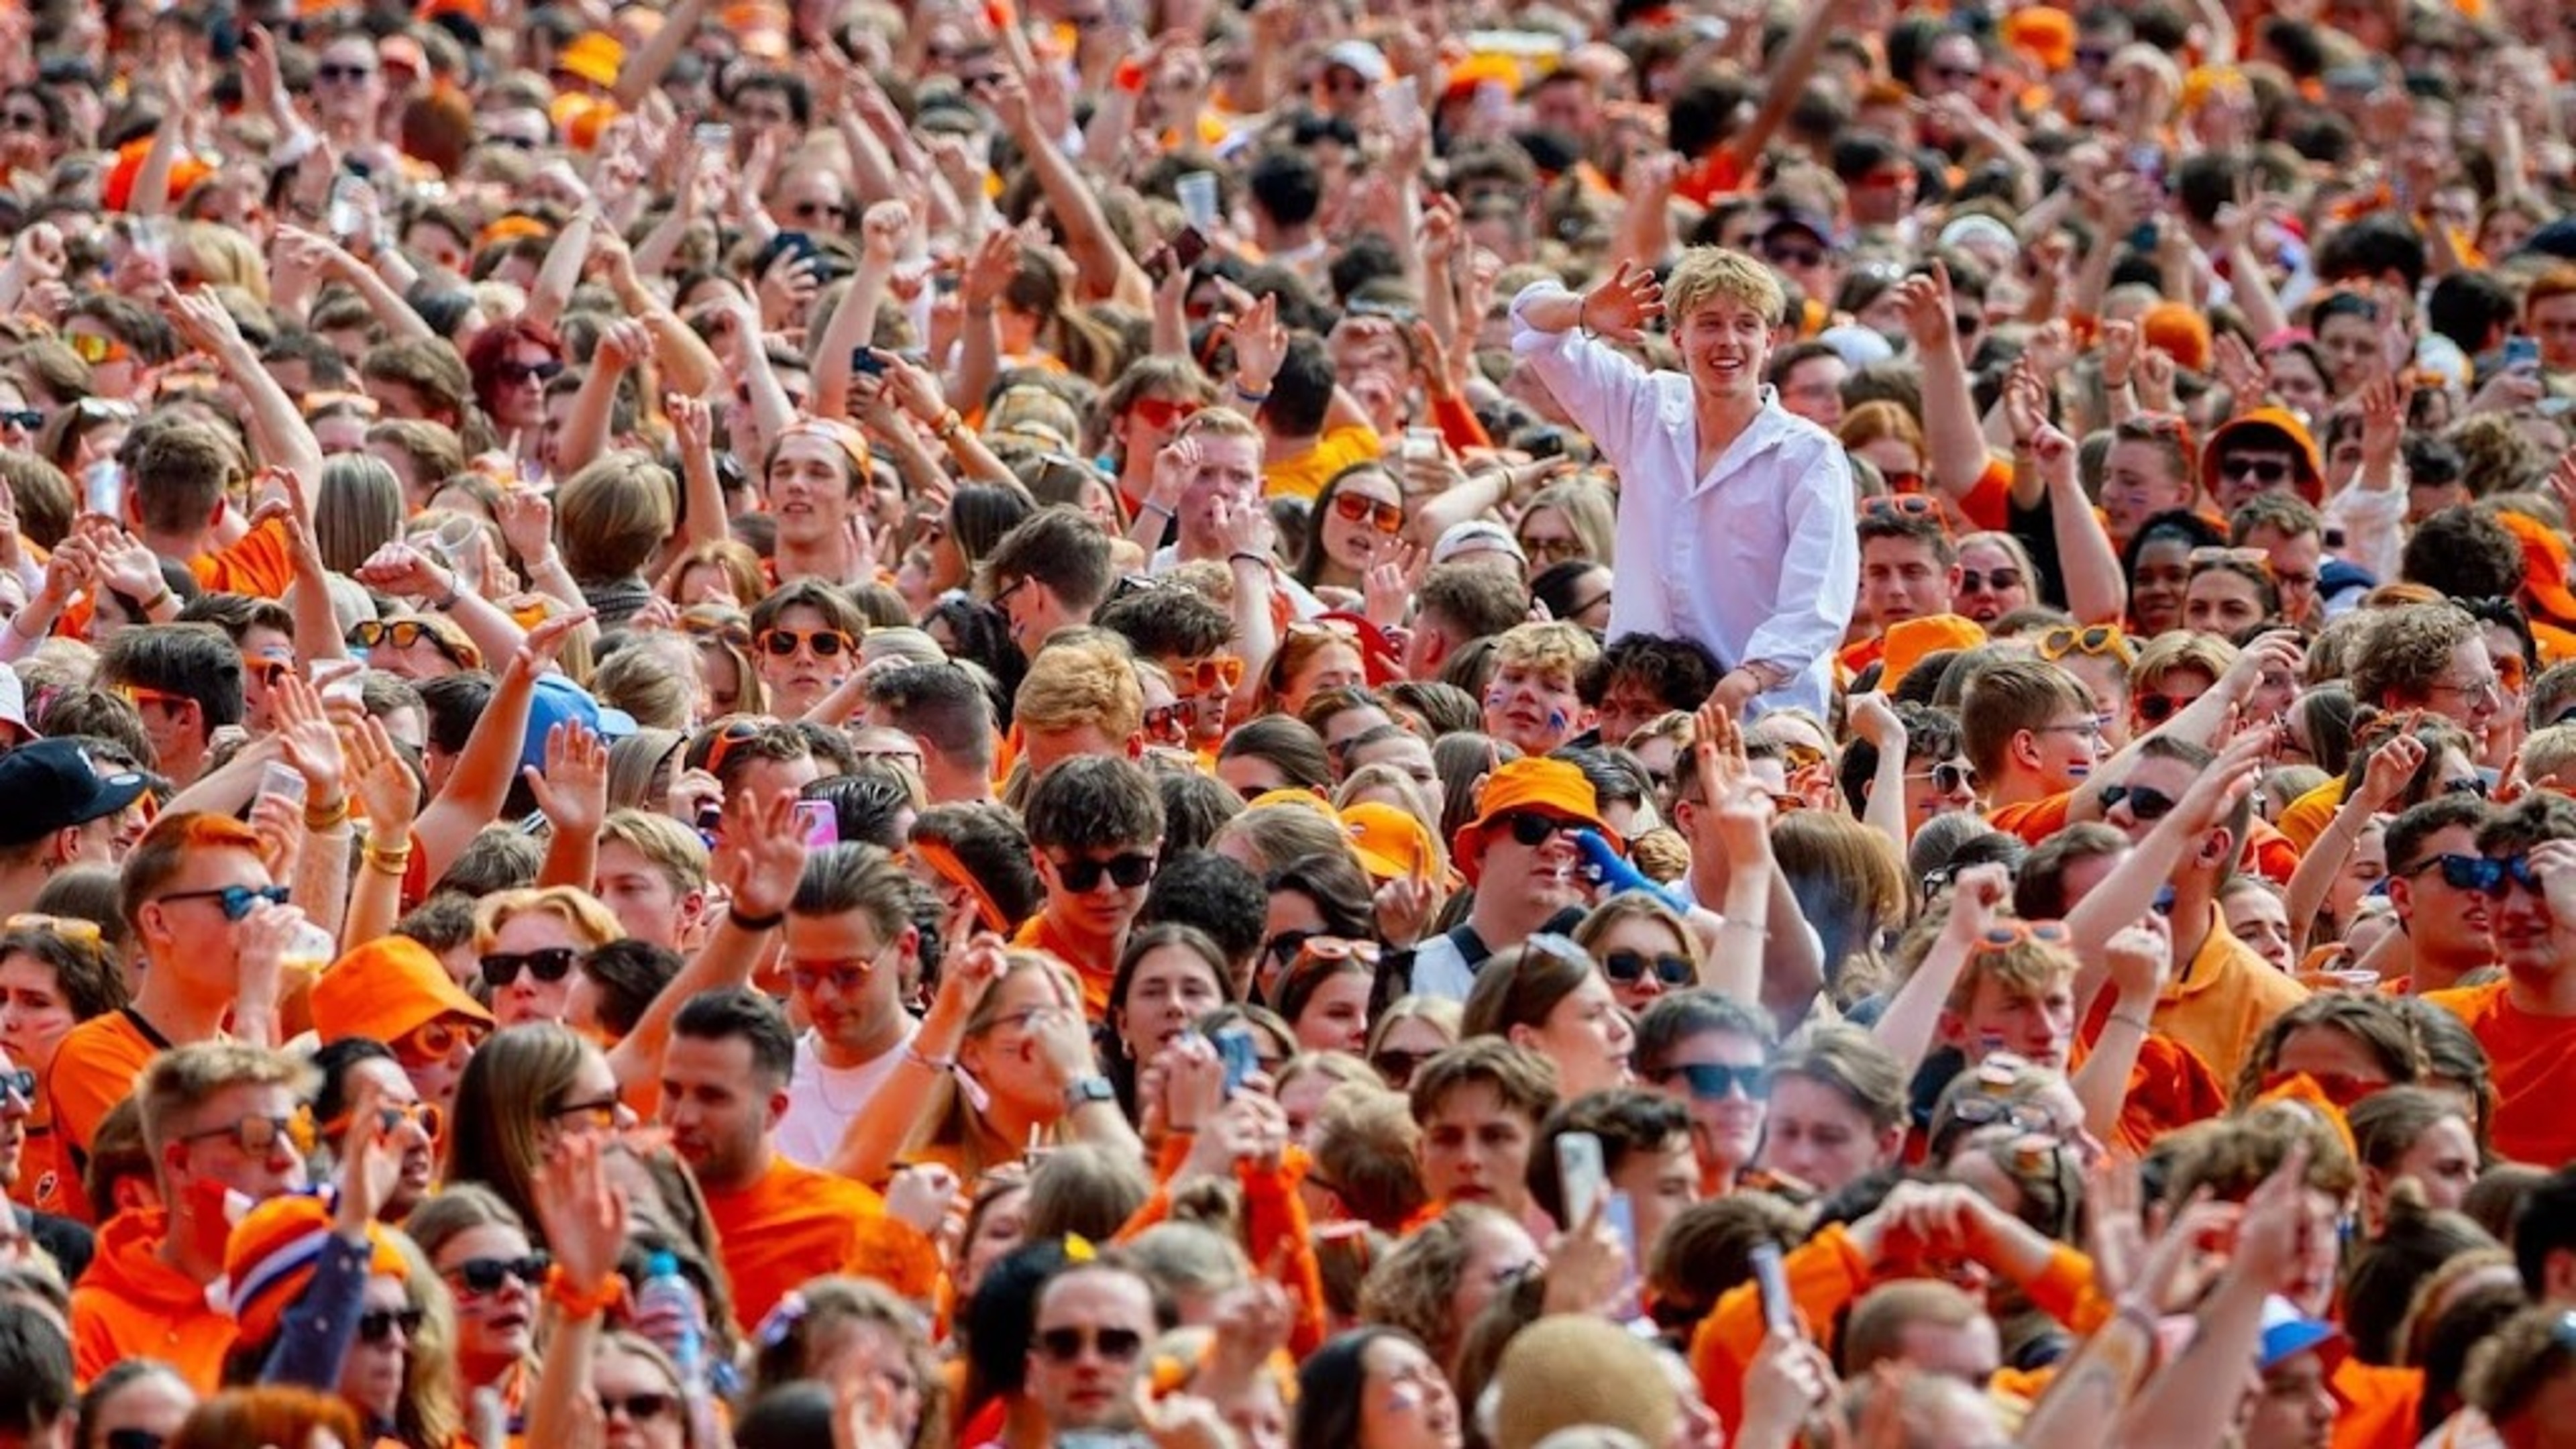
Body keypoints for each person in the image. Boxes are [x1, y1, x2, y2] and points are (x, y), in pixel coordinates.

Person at [1509, 247, 1858, 718]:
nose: (1728, 341)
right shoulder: (1644, 410)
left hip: (1763, 719)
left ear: (1771, 341)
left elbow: (1818, 604)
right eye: (1709, 323)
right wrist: (1586, 311)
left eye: (1746, 325)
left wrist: (1746, 681)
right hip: (1638, 715)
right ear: (1678, 337)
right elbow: (1530, 318)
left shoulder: (1809, 456)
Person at [655, 988, 936, 1331]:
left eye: (712, 1097)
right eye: (671, 1091)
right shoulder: (626, 1206)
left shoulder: (849, 1226)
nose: (683, 1117)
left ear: (774, 1110)